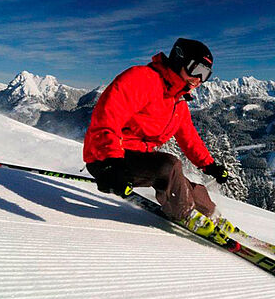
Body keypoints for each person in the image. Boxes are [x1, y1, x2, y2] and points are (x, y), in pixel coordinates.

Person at [83, 38, 231, 237]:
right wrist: (112, 163)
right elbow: (107, 118)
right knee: (169, 166)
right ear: (179, 60)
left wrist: (209, 165)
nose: (199, 80)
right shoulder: (141, 79)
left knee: (183, 183)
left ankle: (210, 213)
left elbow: (189, 137)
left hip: (136, 159)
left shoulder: (177, 101)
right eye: (196, 70)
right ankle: (185, 214)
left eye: (205, 75)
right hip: (108, 159)